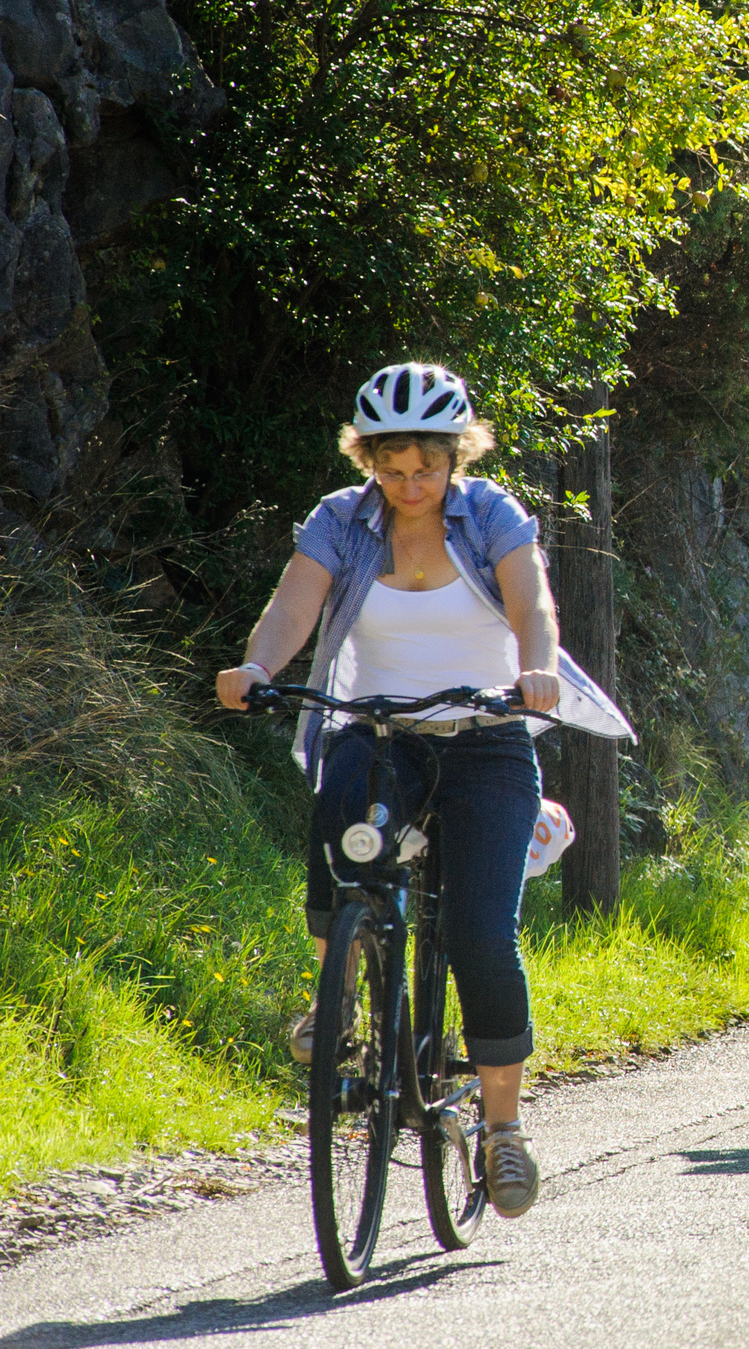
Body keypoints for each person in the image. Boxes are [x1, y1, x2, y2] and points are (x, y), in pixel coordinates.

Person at [214, 361, 632, 1221]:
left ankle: (504, 1132)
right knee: (339, 823)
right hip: (379, 731)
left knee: (481, 932)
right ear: (366, 458)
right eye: (391, 468)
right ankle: (338, 1003)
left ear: (456, 454)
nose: (410, 486)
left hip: (488, 737)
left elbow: (533, 605)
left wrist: (538, 670)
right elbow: (294, 605)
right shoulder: (341, 519)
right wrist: (258, 665)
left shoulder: (491, 515)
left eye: (427, 468)